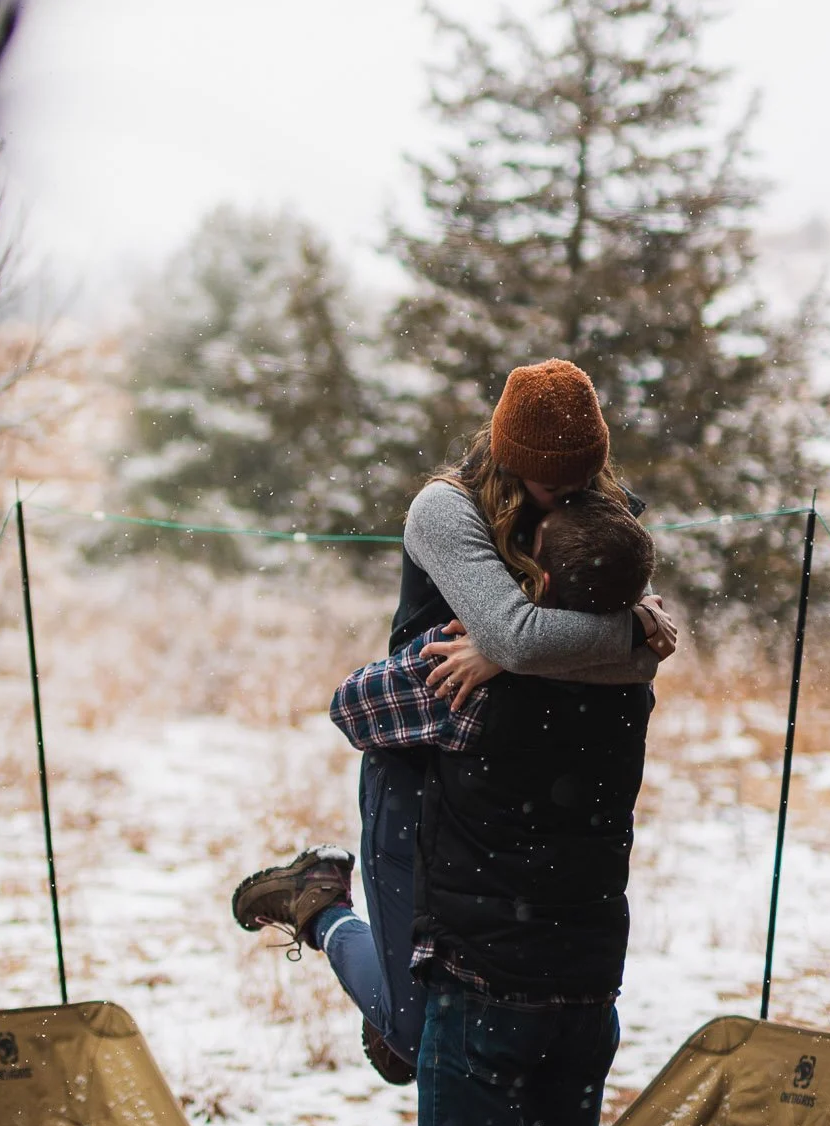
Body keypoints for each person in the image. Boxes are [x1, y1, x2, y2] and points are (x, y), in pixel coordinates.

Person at [320, 483, 661, 1126]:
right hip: (582, 993)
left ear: (539, 587)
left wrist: (485, 639)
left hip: (480, 992)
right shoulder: (630, 679)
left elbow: (349, 707)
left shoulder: (458, 685)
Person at [230, 360, 673, 1086]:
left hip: (519, 783)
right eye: (545, 480)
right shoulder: (445, 510)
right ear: (508, 456)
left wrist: (541, 647)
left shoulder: (600, 506)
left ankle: (406, 1014)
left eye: (578, 479)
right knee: (414, 1032)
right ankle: (319, 906)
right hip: (418, 757)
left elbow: (623, 652)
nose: (562, 495)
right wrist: (618, 634)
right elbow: (537, 635)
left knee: (482, 1007)